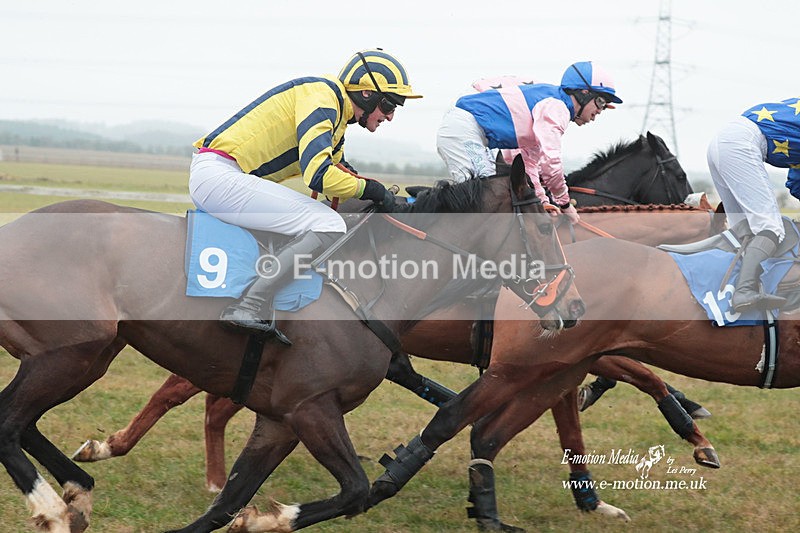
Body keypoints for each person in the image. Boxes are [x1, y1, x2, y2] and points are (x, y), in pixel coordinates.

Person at [189, 48, 422, 334]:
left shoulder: (335, 113)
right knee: (327, 222)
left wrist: (388, 199)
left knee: (326, 217)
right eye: (388, 106)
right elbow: (320, 174)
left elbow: (342, 171)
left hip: (224, 177)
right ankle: (249, 304)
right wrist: (373, 190)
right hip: (219, 176)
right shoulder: (324, 99)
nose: (390, 117)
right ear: (366, 94)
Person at [436, 61, 622, 223]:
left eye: (604, 107)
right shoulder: (557, 108)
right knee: (490, 199)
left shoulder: (550, 107)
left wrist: (544, 202)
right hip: (464, 130)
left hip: (470, 132)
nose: (599, 111)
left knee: (496, 195)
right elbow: (551, 164)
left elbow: (529, 165)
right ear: (583, 93)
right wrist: (564, 204)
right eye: (600, 102)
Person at [707, 97, 800, 312]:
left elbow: (795, 183)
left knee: (744, 231)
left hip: (726, 140)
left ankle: (722, 287)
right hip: (742, 143)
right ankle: (744, 292)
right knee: (771, 227)